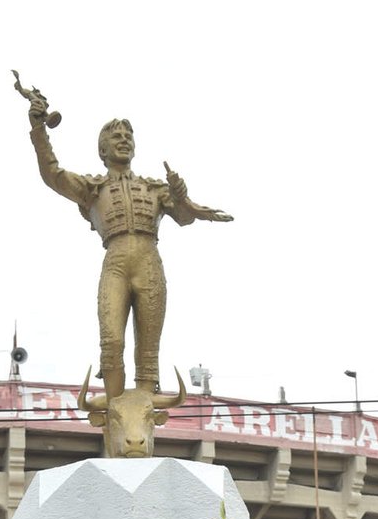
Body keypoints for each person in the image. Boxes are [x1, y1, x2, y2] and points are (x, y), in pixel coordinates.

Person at [21, 80, 232, 398]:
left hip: (149, 259)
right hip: (116, 259)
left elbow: (185, 217)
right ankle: (116, 410)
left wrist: (181, 195)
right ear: (102, 150)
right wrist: (39, 129)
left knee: (148, 350)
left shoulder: (153, 187)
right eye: (115, 137)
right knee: (112, 342)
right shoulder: (93, 188)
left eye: (128, 136)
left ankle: (144, 414)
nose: (123, 140)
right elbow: (53, 174)